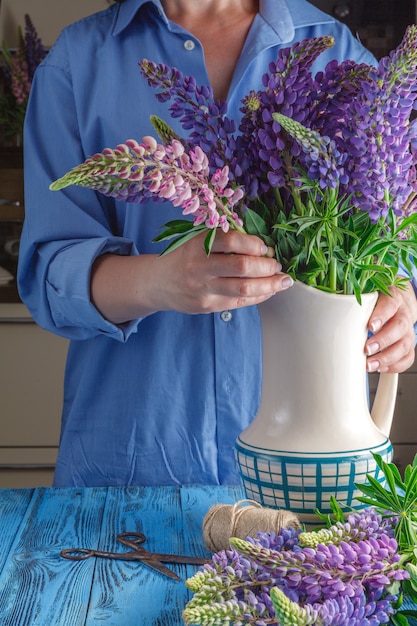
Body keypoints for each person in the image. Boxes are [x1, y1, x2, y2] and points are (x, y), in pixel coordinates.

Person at [18, 0, 417, 488]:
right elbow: (48, 273)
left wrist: (398, 298)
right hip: (134, 468)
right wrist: (160, 280)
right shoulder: (78, 61)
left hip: (312, 468)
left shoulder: (333, 46)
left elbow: (396, 228)